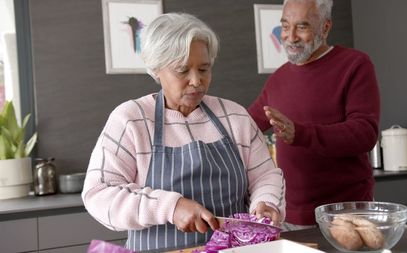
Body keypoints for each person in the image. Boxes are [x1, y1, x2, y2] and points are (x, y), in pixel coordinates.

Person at [82, 13, 285, 251]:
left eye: (204, 69)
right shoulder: (131, 119)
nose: (196, 81)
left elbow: (265, 176)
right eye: (182, 70)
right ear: (157, 69)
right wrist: (171, 207)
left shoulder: (235, 116)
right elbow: (99, 194)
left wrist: (266, 203)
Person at [248, 0, 380, 231]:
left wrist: (301, 133)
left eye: (302, 27)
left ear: (325, 28)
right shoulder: (278, 79)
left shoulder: (355, 64)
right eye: (285, 26)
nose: (290, 37)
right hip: (289, 215)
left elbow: (365, 133)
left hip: (345, 214)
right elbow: (245, 125)